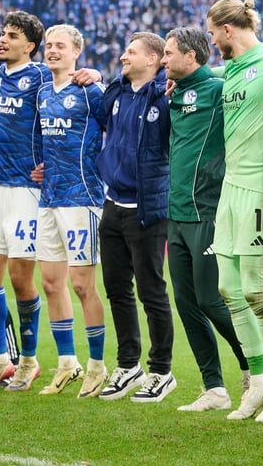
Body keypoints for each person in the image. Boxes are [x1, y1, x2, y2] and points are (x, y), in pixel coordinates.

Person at [204, 0, 263, 422]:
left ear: (227, 29)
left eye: (212, 31)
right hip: (229, 189)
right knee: (229, 290)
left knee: (257, 289)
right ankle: (258, 384)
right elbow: (203, 74)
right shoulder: (229, 70)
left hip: (260, 187)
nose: (211, 38)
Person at [161, 26, 250, 412]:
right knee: (185, 302)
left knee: (213, 300)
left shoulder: (216, 87)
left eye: (169, 53)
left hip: (208, 210)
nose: (163, 60)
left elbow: (242, 69)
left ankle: (255, 369)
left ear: (192, 57)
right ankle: (213, 387)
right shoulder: (173, 92)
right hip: (176, 213)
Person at [94, 31, 176, 402]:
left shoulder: (166, 94)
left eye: (131, 52)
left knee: (152, 291)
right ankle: (129, 366)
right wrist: (94, 78)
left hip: (148, 208)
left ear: (154, 59)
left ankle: (161, 370)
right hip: (112, 203)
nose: (123, 56)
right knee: (116, 290)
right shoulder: (116, 92)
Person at [0, 11, 51, 392]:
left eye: (13, 35)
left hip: (25, 190)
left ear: (30, 46)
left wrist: (50, 162)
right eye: (3, 33)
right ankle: (0, 358)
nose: (3, 39)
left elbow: (66, 108)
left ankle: (29, 361)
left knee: (21, 278)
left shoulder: (40, 77)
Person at [32, 24, 109, 398]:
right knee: (50, 283)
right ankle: (67, 364)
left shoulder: (91, 90)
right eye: (49, 46)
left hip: (83, 199)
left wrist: (100, 76)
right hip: (49, 197)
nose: (52, 51)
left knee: (82, 285)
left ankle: (97, 365)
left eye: (60, 46)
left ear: (77, 51)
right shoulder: (43, 91)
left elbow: (119, 126)